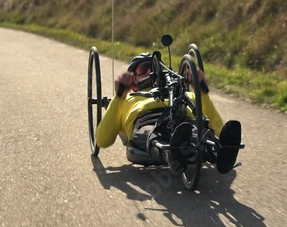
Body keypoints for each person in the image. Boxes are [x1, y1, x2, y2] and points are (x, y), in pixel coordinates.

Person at [96, 53, 241, 174]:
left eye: (154, 68)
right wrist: (118, 97)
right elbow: (103, 140)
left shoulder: (186, 96)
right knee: (154, 135)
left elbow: (216, 125)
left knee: (198, 131)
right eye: (143, 69)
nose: (149, 72)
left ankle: (220, 153)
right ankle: (171, 154)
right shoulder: (127, 99)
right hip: (146, 121)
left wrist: (202, 91)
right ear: (133, 81)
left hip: (183, 119)